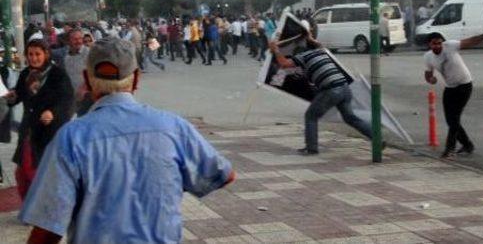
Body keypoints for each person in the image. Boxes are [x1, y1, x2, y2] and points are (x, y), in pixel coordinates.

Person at [19, 37, 235, 244]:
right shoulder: (173, 127)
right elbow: (224, 174)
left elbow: (48, 229)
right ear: (136, 79)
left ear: (87, 80)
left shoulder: (71, 138)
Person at [269, 32, 374, 155]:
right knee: (350, 118)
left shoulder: (303, 56)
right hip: (345, 88)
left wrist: (275, 50)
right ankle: (377, 138)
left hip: (331, 90)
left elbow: (284, 64)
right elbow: (319, 45)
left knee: (311, 116)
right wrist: (311, 39)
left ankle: (311, 148)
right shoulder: (321, 52)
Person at [4, 39, 74, 199]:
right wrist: (12, 96)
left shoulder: (58, 74)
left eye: (37, 54)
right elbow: (19, 95)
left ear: (46, 54)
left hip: (50, 132)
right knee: (22, 171)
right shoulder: (26, 74)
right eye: (30, 54)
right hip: (29, 130)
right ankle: (31, 207)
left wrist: (52, 113)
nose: (33, 58)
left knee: (34, 169)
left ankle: (43, 206)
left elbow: (67, 100)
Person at [424, 28, 483, 159]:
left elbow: (471, 41)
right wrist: (431, 79)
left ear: (443, 42)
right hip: (450, 87)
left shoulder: (450, 46)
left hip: (465, 85)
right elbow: (428, 74)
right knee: (450, 120)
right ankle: (467, 145)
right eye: (434, 43)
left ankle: (450, 148)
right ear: (429, 44)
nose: (437, 46)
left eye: (439, 43)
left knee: (454, 118)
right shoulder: (428, 57)